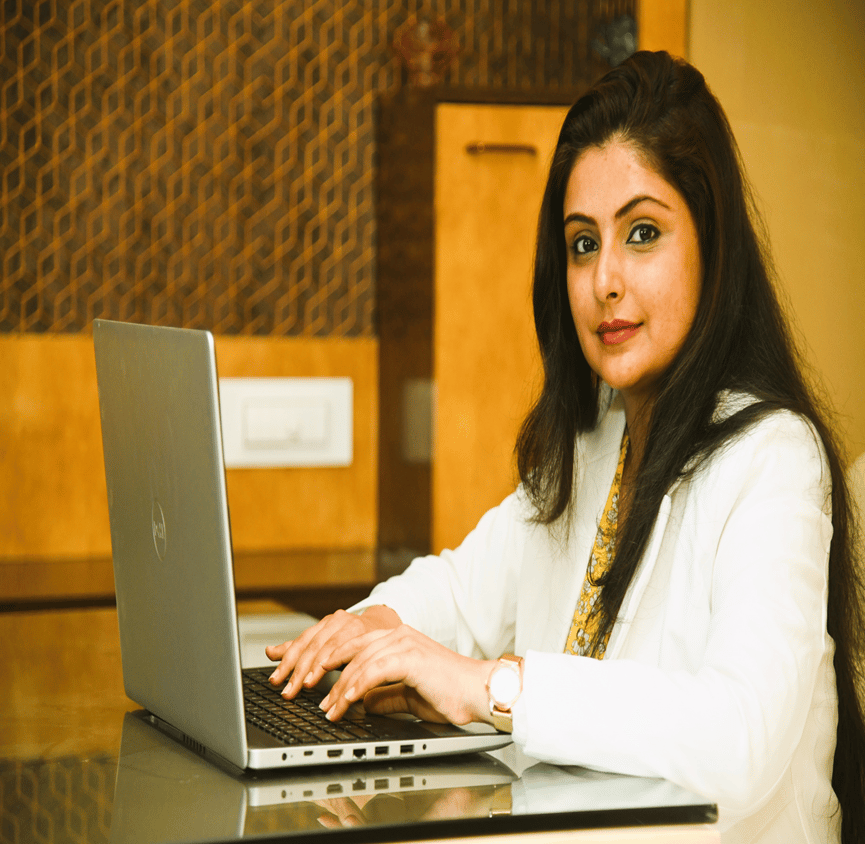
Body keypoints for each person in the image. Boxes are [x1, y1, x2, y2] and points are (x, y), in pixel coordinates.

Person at [266, 51, 865, 843]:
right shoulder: (593, 442)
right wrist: (360, 632)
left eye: (642, 234)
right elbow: (459, 593)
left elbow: (738, 738)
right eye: (582, 244)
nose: (604, 279)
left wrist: (490, 688)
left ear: (711, 246)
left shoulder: (773, 457)